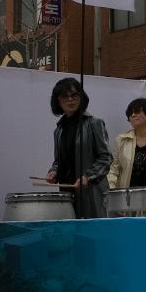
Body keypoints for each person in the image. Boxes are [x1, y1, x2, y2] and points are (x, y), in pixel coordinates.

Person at [45, 78, 111, 218]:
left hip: (91, 193)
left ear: (81, 97)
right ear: (58, 100)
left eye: (74, 95)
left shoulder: (94, 123)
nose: (70, 100)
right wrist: (54, 171)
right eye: (65, 96)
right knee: (71, 235)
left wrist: (88, 176)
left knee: (92, 235)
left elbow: (106, 158)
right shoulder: (59, 130)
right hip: (66, 193)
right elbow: (58, 161)